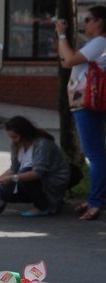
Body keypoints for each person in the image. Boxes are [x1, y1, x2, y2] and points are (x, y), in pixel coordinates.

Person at [56, 6, 106, 221]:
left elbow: (69, 60)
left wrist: (62, 35)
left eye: (88, 20)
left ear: (100, 22)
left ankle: (96, 202)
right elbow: (66, 59)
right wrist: (63, 41)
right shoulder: (96, 44)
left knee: (95, 155)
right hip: (84, 103)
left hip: (88, 104)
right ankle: (96, 198)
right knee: (96, 154)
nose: (84, 24)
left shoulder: (100, 42)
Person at [0, 116, 71, 217]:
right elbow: (14, 168)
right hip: (31, 176)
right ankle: (39, 200)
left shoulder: (42, 144)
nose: (14, 140)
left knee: (24, 173)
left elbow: (39, 172)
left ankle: (43, 206)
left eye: (15, 137)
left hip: (51, 179)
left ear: (25, 133)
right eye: (11, 137)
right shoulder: (17, 145)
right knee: (5, 190)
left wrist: (13, 178)